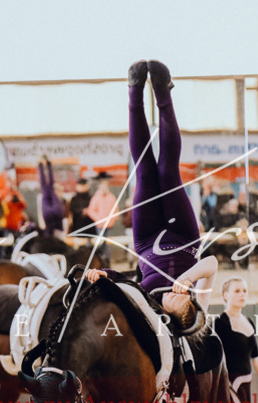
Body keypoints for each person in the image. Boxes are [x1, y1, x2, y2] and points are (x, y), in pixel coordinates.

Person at [85, 60, 218, 325]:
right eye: (184, 299)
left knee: (144, 171)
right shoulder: (196, 297)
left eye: (174, 301)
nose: (176, 295)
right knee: (168, 171)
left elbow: (124, 280)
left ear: (167, 312)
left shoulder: (146, 300)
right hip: (184, 238)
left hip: (146, 242)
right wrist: (187, 279)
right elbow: (212, 262)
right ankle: (163, 92)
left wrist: (102, 275)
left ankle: (134, 90)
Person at [85, 171, 117, 262]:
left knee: (106, 243)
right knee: (101, 244)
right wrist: (98, 219)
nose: (104, 188)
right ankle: (103, 260)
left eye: (106, 186)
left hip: (109, 225)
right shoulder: (96, 197)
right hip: (100, 226)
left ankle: (106, 260)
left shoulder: (111, 197)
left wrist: (112, 219)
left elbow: (115, 210)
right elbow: (91, 210)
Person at [37, 157, 66, 237]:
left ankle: (43, 165)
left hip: (50, 216)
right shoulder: (53, 194)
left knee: (47, 186)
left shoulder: (44, 195)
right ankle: (45, 165)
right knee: (49, 186)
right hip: (54, 215)